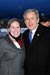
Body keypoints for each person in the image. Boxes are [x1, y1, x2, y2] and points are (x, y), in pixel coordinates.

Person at [22, 9, 50, 75]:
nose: (29, 22)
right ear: (25, 21)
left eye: (32, 18)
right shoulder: (24, 34)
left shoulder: (48, 32)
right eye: (27, 19)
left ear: (37, 20)